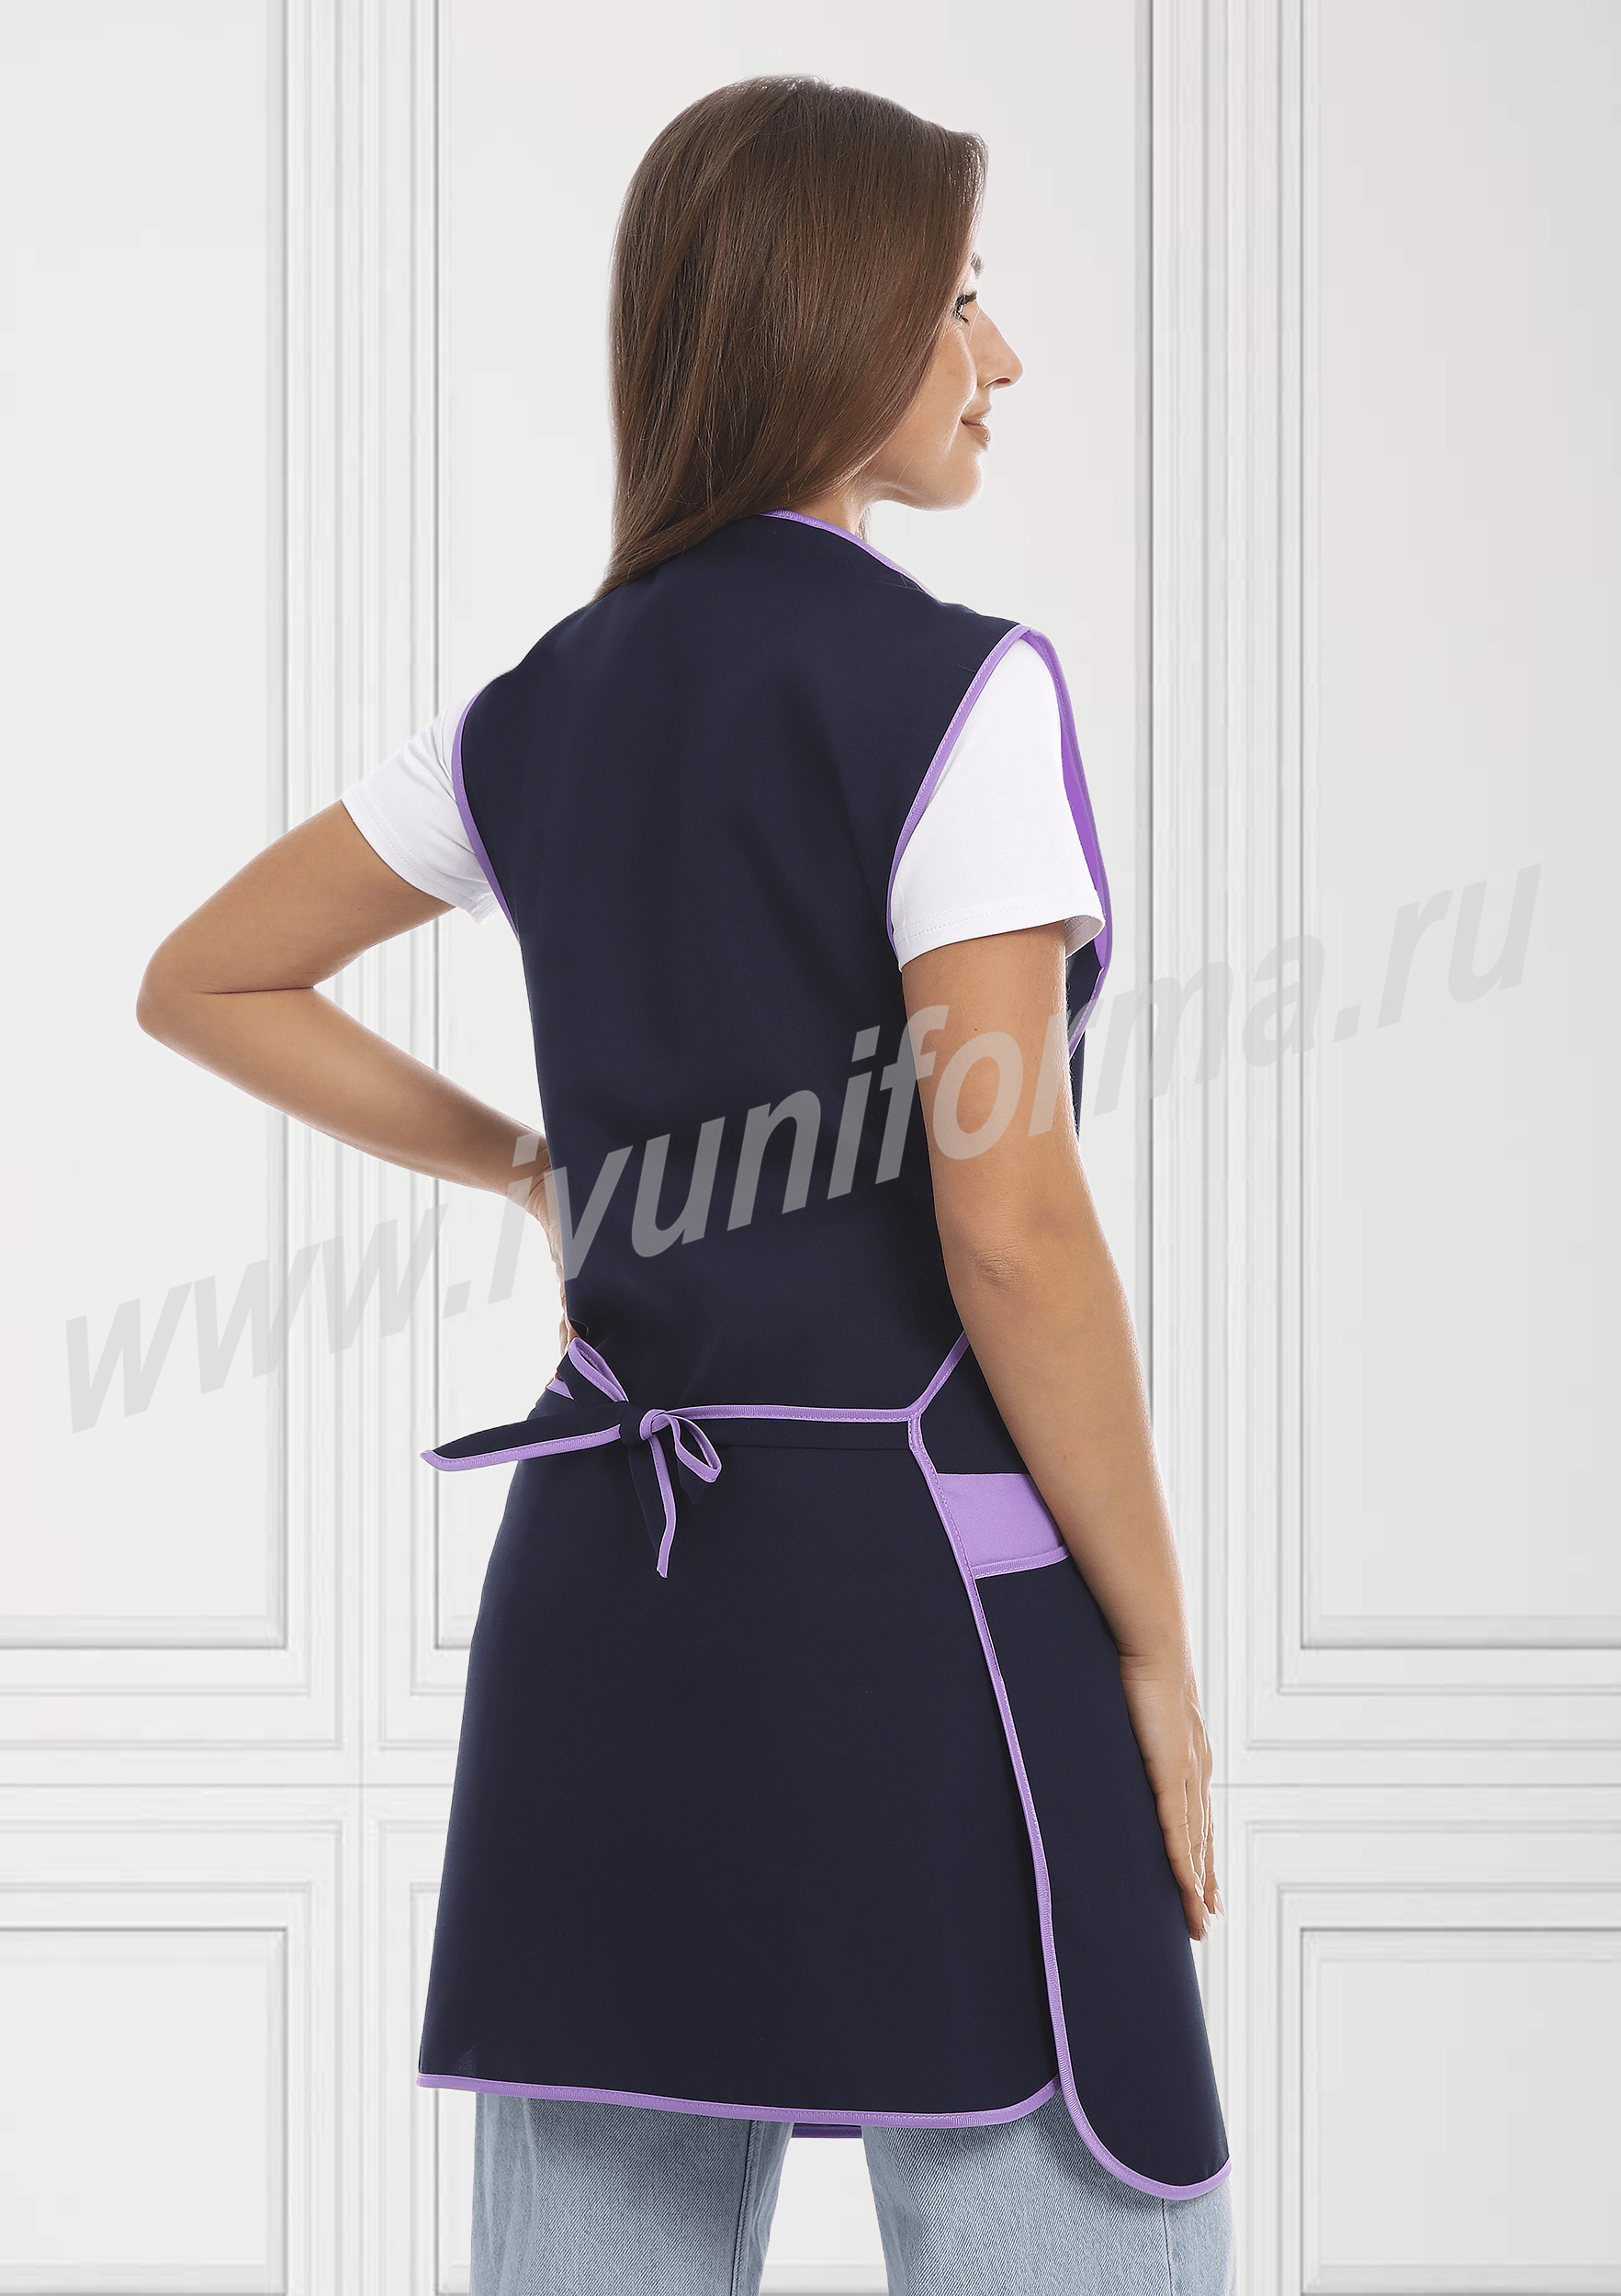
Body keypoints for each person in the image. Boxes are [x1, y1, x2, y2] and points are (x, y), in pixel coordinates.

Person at [138, 73, 1233, 2296]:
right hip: (933, 1604)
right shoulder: (956, 695)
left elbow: (207, 975)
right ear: (833, 325)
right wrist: (1157, 1651)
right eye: (956, 302)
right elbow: (1011, 1229)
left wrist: (535, 1171)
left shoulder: (536, 707)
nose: (1000, 355)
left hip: (605, 1612)